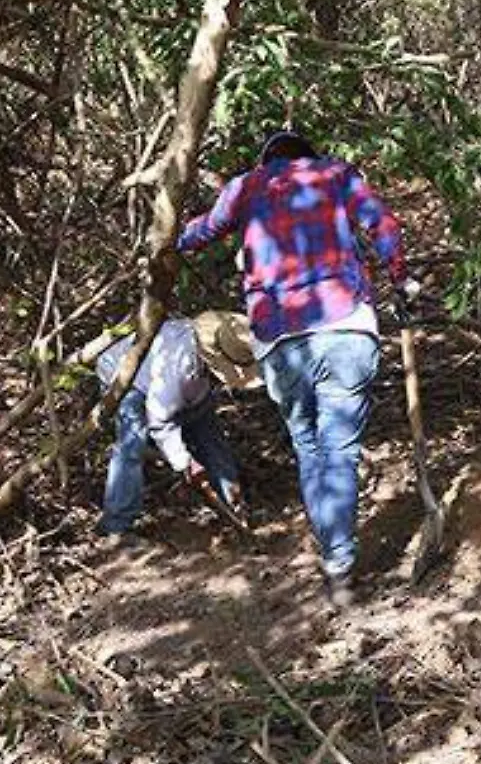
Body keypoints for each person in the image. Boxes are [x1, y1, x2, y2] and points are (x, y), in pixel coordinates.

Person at [176, 128, 411, 608]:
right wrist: (402, 279)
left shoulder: (245, 187)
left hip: (279, 338)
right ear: (310, 154)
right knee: (340, 450)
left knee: (308, 446)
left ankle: (333, 554)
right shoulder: (338, 174)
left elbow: (203, 231)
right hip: (345, 324)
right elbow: (382, 225)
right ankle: (339, 565)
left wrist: (168, 239)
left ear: (268, 160)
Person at [96, 309, 257, 541]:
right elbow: (159, 420)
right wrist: (184, 462)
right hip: (127, 376)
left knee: (212, 439)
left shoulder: (206, 359)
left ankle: (234, 506)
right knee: (132, 444)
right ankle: (116, 526)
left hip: (178, 389)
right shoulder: (177, 367)